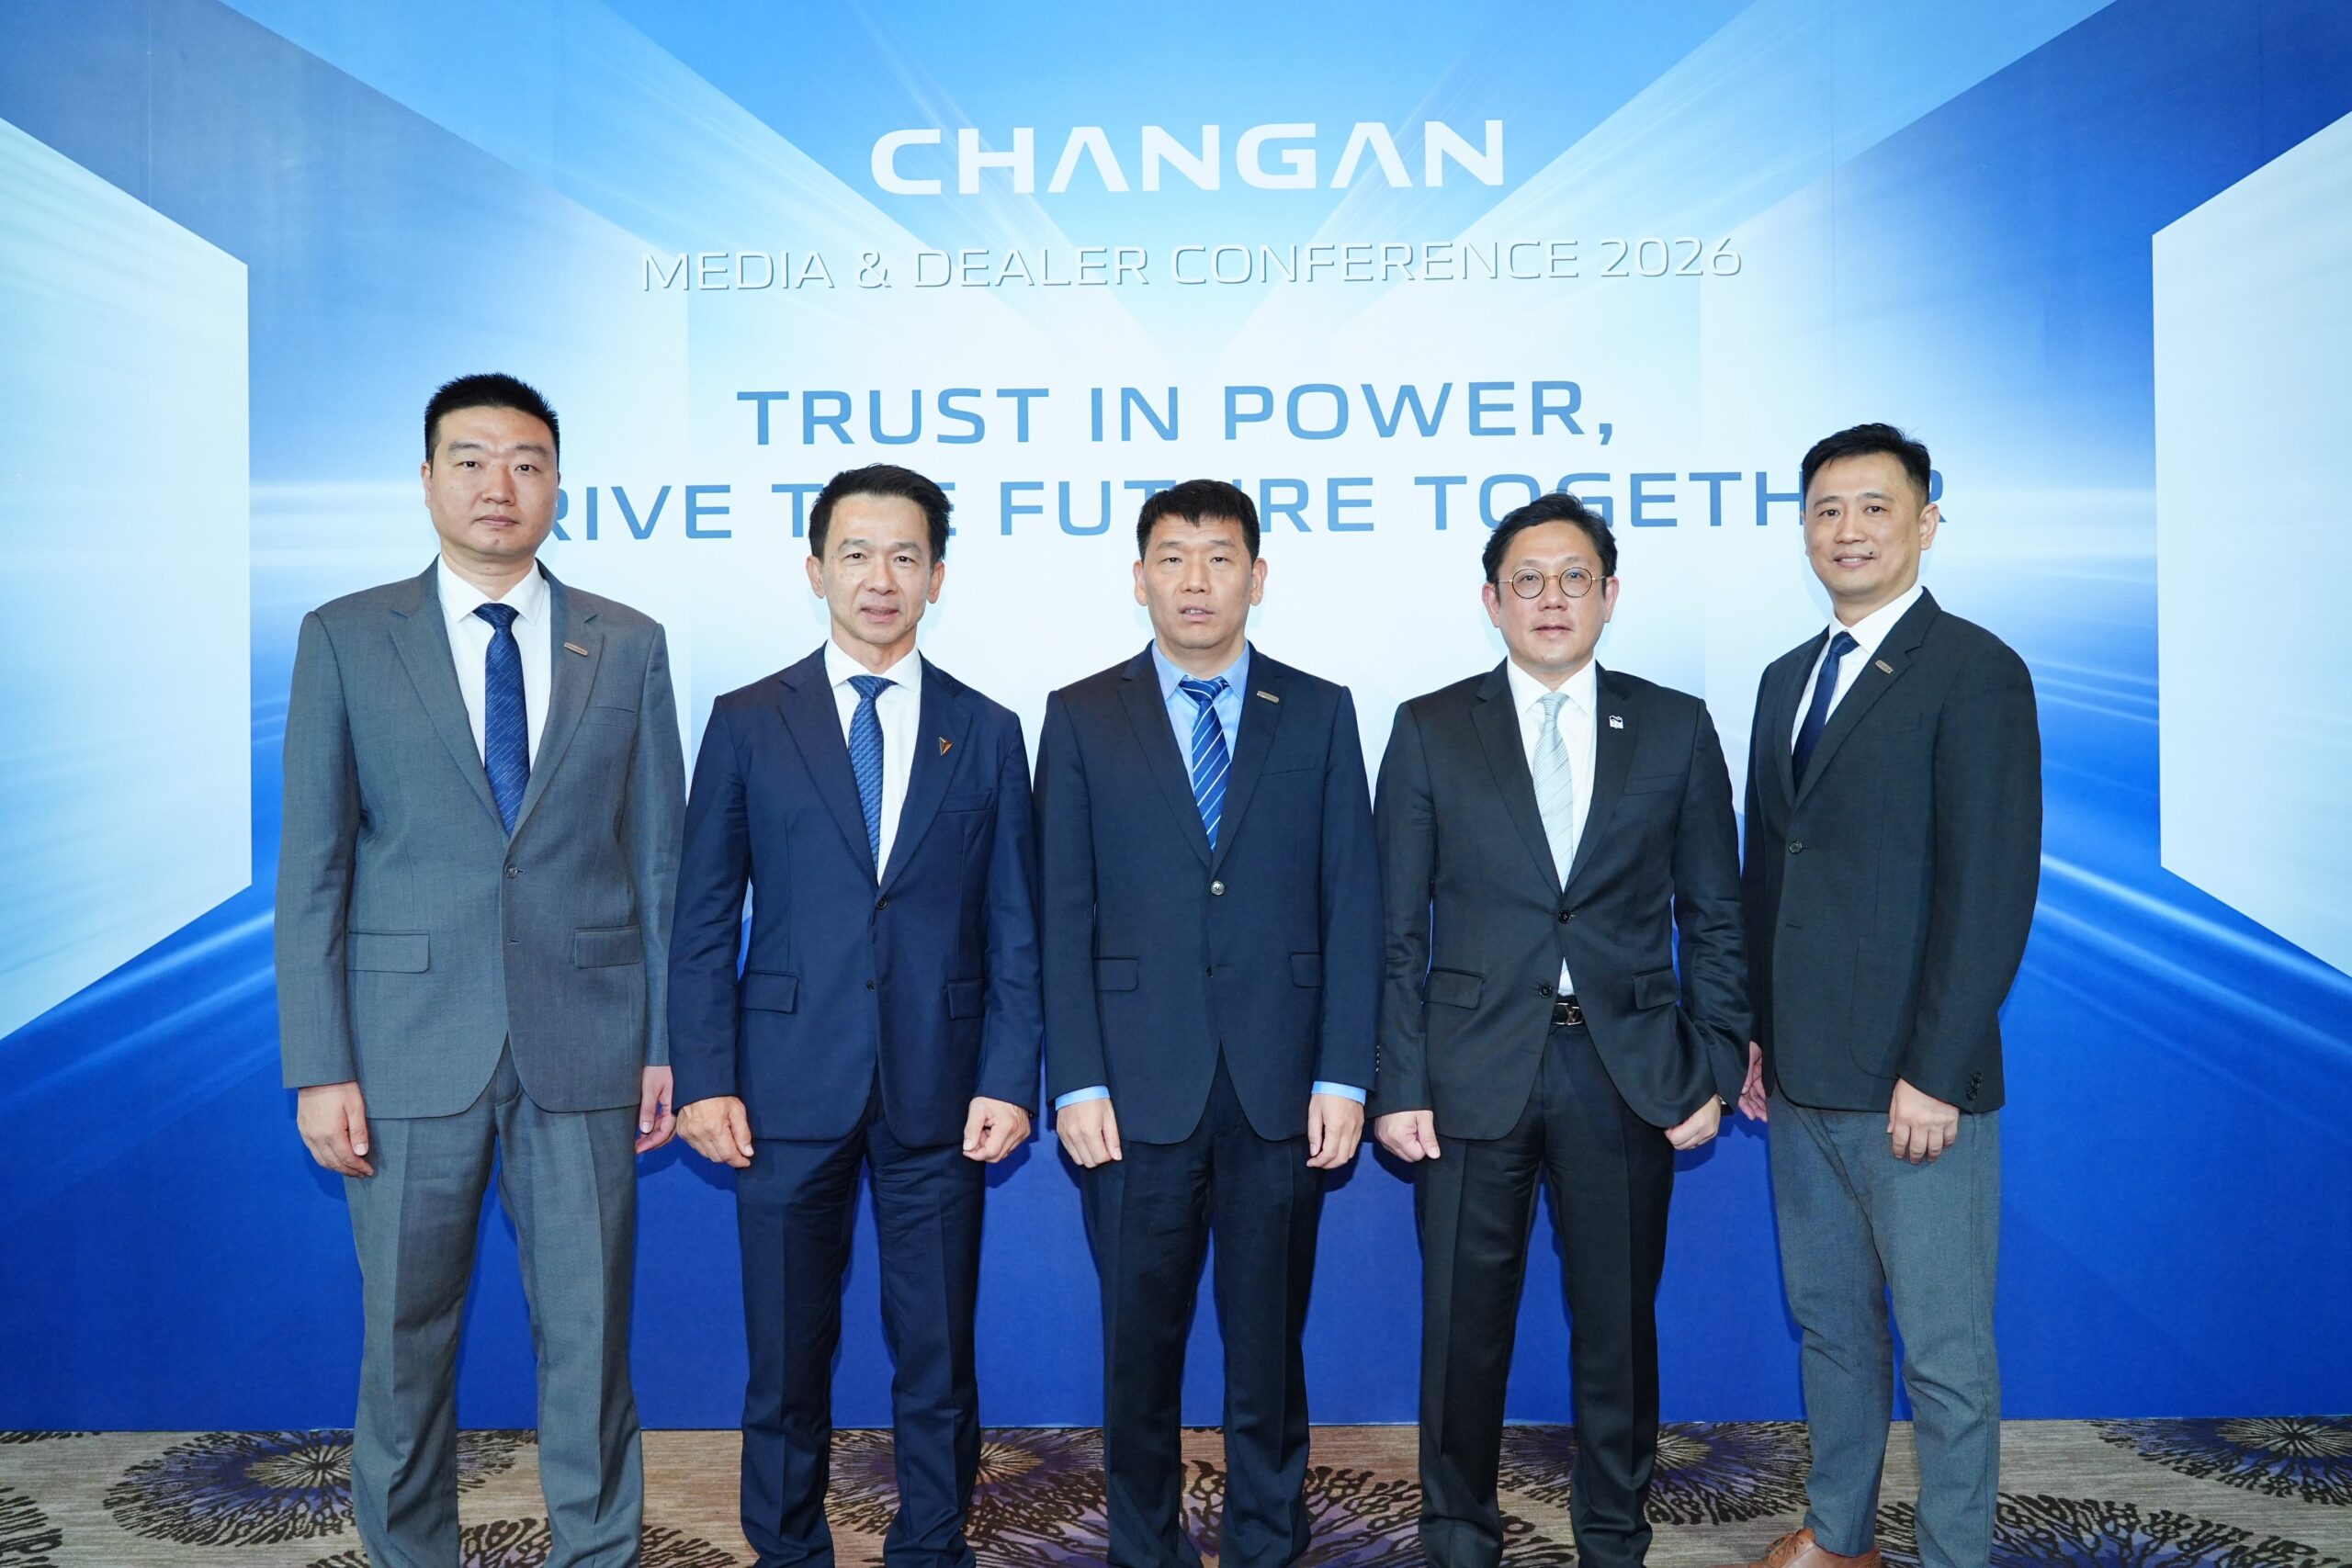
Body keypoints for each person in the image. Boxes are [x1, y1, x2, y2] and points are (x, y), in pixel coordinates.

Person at [276, 372, 683, 1567]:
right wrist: (319, 1064)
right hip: (404, 1047)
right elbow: (313, 868)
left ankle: (597, 1552)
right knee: (404, 1345)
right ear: (427, 480)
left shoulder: (629, 642)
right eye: (470, 459)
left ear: (557, 484)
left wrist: (667, 1043)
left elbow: (658, 862)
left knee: (591, 1343)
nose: (499, 485)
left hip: (590, 1041)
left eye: (526, 462)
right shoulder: (346, 637)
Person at [667, 464, 1042, 1568]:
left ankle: (931, 1545)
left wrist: (1008, 1076)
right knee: (786, 1357)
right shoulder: (747, 721)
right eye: (857, 554)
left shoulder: (985, 729)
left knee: (937, 1355)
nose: (881, 579)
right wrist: (704, 1076)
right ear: (816, 568)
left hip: (943, 1087)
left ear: (937, 576)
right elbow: (701, 919)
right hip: (782, 1087)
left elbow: (1015, 927)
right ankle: (787, 1549)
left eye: (905, 556)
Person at [1370, 491, 1747, 1568]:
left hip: (1625, 1071)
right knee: (1461, 1328)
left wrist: (1715, 1064)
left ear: (1609, 595)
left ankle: (1614, 1536)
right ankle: (1457, 1533)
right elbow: (1393, 929)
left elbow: (1715, 916)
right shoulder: (1430, 727)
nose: (1551, 598)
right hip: (1466, 1072)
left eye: (1574, 577)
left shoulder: (1673, 726)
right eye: (1526, 580)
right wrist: (1398, 1080)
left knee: (1618, 1327)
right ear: (1491, 601)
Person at [1035, 479, 1380, 1568]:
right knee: (1138, 1348)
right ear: (1138, 579)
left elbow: (1353, 904)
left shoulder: (1318, 711)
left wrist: (1345, 1073)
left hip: (1282, 1082)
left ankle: (1266, 1538)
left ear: (1256, 577)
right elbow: (1061, 913)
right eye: (1173, 558)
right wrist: (1075, 1078)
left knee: (1267, 1345)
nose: (1196, 580)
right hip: (1132, 1089)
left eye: (1220, 557)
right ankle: (1144, 1547)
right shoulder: (1080, 715)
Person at [1722, 423, 2041, 1568]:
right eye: (1825, 510)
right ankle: (1840, 1533)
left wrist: (1935, 1070)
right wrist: (1752, 1036)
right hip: (1799, 1080)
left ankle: (1955, 1555)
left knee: (1944, 1354)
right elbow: (1770, 878)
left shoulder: (1974, 669)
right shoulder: (1784, 679)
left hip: (1916, 1089)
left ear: (1925, 522)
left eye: (1873, 507)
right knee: (1831, 1332)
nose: (1847, 530)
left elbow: (1989, 887)